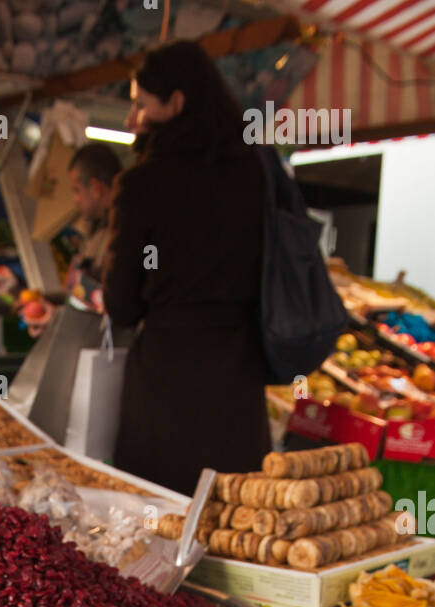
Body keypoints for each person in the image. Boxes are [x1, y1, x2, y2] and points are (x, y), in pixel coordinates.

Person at [102, 41, 271, 493]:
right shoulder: (254, 174)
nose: (130, 119)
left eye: (139, 105)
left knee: (162, 526)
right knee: (237, 520)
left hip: (168, 386)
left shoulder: (143, 185)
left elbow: (120, 304)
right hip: (238, 382)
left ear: (175, 103)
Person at [22, 142, 121, 337]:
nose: (75, 200)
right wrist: (47, 301)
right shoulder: (96, 231)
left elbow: (112, 305)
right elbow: (83, 292)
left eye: (76, 190)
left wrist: (58, 317)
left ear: (96, 188)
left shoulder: (120, 234)